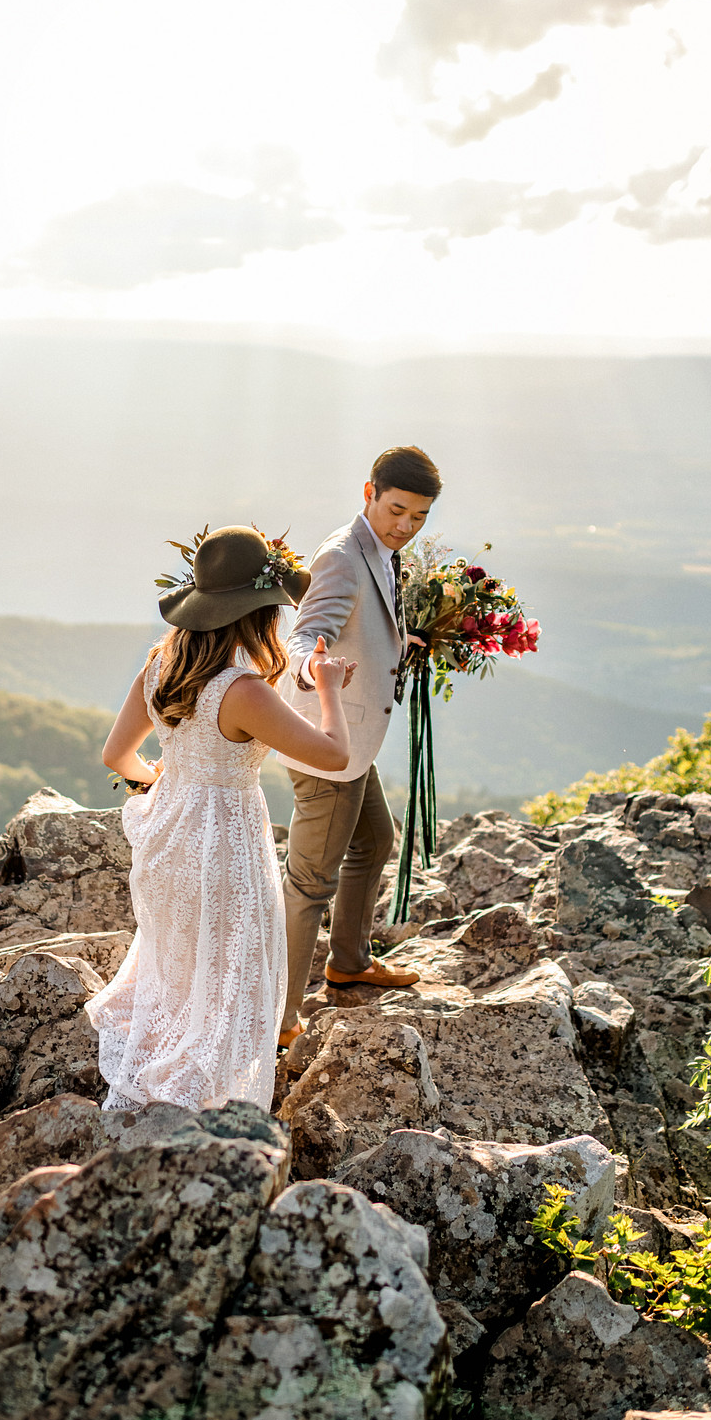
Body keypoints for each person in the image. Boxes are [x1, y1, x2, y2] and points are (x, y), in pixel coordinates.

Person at [86, 524, 355, 1114]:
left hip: (168, 835)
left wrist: (163, 778)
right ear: (257, 613)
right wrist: (331, 689)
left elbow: (116, 756)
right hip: (225, 842)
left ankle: (154, 1099)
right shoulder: (242, 690)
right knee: (232, 976)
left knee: (178, 970)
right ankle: (201, 1106)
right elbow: (335, 755)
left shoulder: (161, 665)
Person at [277, 445, 443, 1047]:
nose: (405, 526)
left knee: (376, 840)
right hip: (328, 741)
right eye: (397, 510)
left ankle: (348, 960)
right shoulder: (344, 557)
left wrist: (403, 643)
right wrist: (310, 672)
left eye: (418, 518)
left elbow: (364, 626)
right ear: (368, 491)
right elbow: (307, 635)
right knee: (309, 884)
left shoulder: (378, 550)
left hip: (353, 741)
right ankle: (280, 1019)